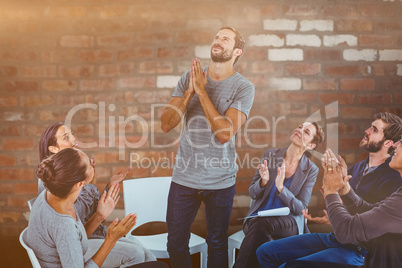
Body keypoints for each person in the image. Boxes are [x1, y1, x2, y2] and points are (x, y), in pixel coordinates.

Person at [160, 26, 255, 268]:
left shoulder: (243, 87)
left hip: (220, 181)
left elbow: (224, 133)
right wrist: (189, 91)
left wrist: (201, 92)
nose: (218, 41)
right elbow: (165, 124)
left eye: (225, 39)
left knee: (216, 242)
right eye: (216, 37)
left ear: (237, 51)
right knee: (175, 243)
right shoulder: (189, 78)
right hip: (184, 178)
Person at [256, 113, 402, 267]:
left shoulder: (394, 178)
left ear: (388, 143)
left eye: (374, 129)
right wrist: (344, 191)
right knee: (265, 252)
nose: (367, 131)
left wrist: (331, 192)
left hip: (361, 249)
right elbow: (369, 210)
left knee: (288, 265)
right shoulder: (357, 168)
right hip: (339, 237)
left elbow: (359, 226)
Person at [37, 122, 157, 267]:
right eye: (66, 137)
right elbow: (74, 229)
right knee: (136, 253)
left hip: (83, 237)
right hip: (76, 244)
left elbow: (80, 222)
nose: (74, 140)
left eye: (72, 134)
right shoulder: (58, 199)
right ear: (53, 148)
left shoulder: (65, 188)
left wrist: (101, 205)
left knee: (147, 254)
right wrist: (109, 237)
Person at [233, 122, 325, 268]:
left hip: (289, 223)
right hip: (259, 218)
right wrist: (263, 182)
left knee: (261, 228)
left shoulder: (310, 169)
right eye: (300, 126)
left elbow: (300, 208)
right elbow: (252, 192)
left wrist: (281, 188)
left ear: (311, 146)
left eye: (306, 132)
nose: (299, 130)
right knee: (262, 232)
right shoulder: (270, 155)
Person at [26, 148, 137, 267]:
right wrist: (111, 240)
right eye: (90, 165)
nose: (92, 164)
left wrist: (98, 217)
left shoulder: (54, 194)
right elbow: (68, 233)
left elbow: (76, 238)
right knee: (137, 254)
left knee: (142, 252)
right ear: (79, 184)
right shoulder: (63, 224)